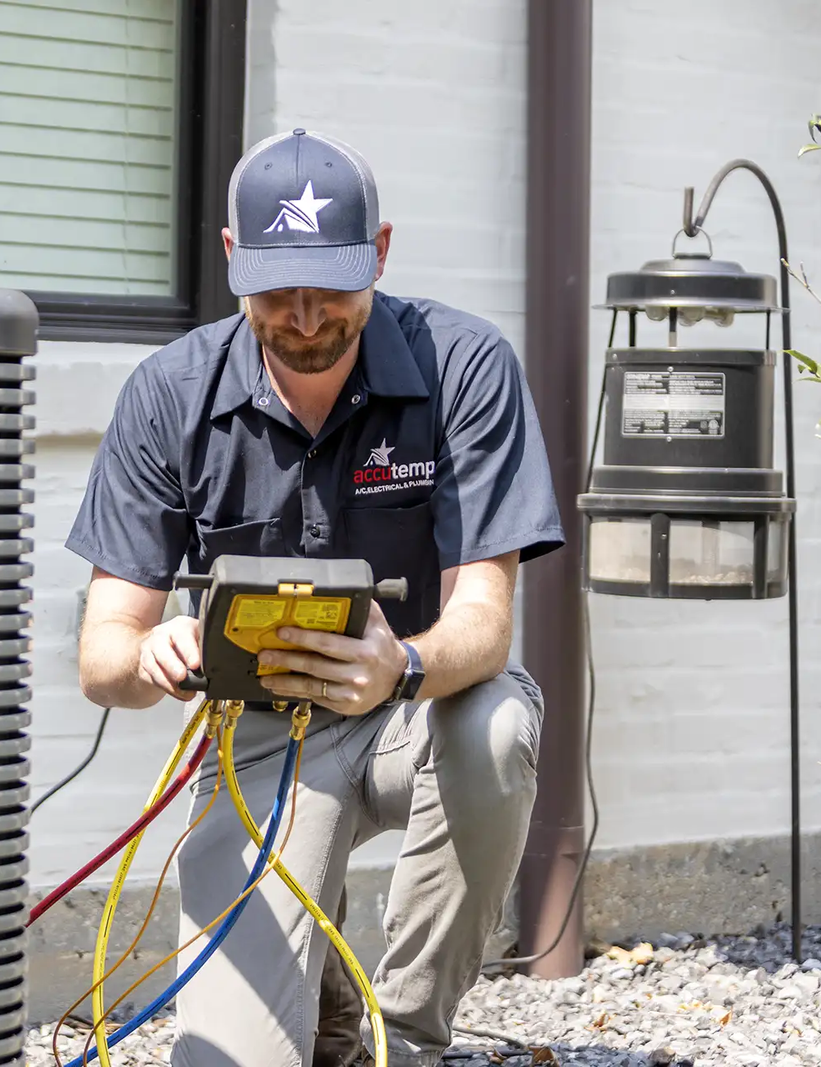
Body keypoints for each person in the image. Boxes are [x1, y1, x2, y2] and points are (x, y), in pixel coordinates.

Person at [64, 128, 566, 1067]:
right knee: (225, 1060)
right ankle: (331, 1002)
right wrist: (152, 654)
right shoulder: (168, 393)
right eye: (275, 288)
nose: (302, 316)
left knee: (495, 726)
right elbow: (102, 658)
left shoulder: (465, 367)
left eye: (330, 285)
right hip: (260, 737)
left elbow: (485, 625)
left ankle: (408, 1035)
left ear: (379, 253)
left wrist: (401, 665)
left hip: (416, 711)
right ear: (229, 260)